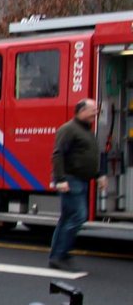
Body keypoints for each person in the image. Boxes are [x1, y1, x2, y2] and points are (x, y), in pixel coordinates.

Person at [48, 98, 106, 269]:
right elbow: (58, 155)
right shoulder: (69, 129)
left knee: (67, 218)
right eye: (92, 109)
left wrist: (99, 175)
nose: (96, 112)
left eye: (96, 109)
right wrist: (60, 180)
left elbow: (87, 157)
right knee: (78, 216)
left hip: (81, 180)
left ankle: (57, 256)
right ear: (81, 111)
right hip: (71, 180)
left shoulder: (86, 131)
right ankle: (60, 254)